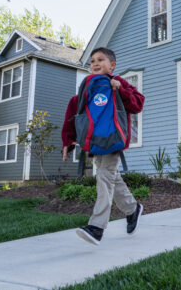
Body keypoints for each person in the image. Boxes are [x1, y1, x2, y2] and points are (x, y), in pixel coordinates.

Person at [61, 47, 145, 246]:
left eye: (100, 60)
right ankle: (132, 209)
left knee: (105, 178)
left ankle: (97, 227)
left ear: (112, 65)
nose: (95, 64)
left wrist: (120, 88)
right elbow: (74, 111)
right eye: (92, 61)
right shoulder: (88, 87)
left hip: (113, 140)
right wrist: (68, 141)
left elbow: (138, 104)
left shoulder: (118, 83)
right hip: (95, 142)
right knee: (111, 177)